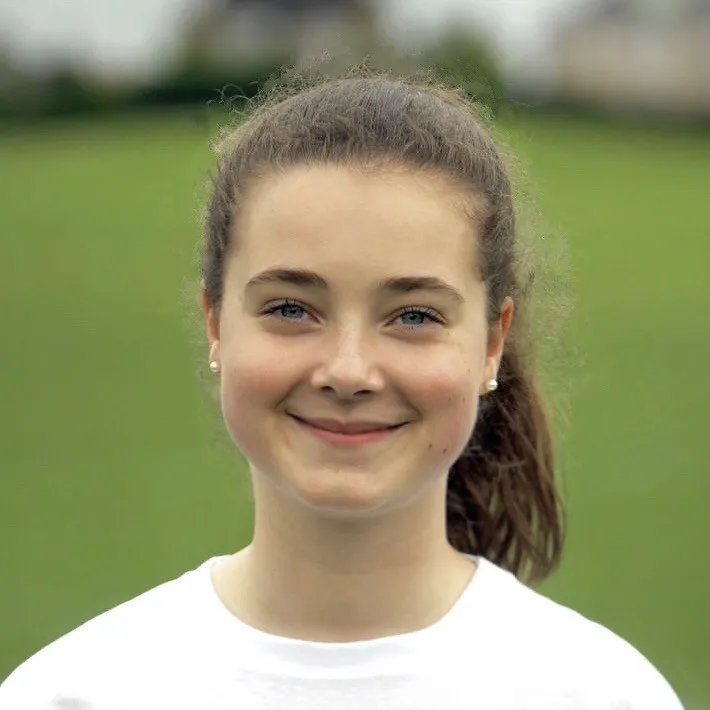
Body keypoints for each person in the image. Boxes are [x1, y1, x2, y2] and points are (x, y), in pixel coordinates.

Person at [0, 69, 684, 710]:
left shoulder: (599, 692)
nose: (349, 371)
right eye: (292, 309)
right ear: (215, 322)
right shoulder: (75, 692)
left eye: (414, 315)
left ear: (491, 343)